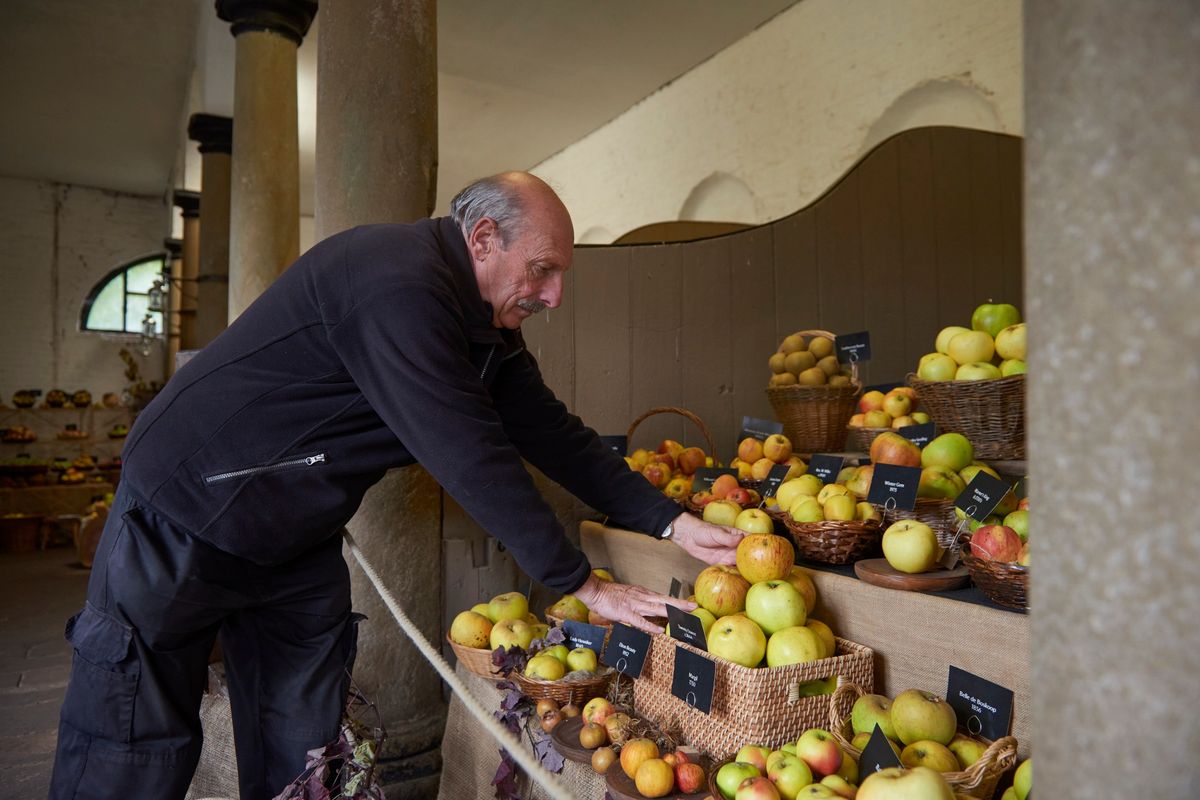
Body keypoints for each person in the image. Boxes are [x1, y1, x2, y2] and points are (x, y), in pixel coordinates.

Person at [49, 172, 744, 799]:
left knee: (304, 754)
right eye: (542, 270)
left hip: (293, 537)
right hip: (184, 510)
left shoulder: (485, 328)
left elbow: (551, 433)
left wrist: (667, 522)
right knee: (131, 746)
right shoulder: (393, 281)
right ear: (482, 239)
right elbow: (468, 451)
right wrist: (582, 583)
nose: (553, 294)